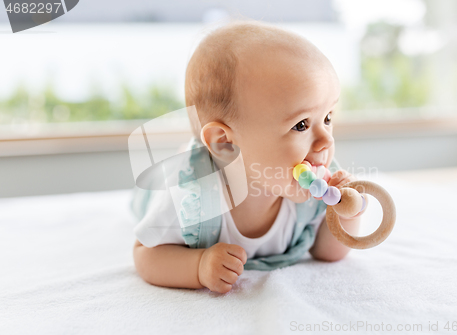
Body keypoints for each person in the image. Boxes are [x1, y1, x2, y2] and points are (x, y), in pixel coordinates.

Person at [132, 20, 368, 294]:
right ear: (225, 143)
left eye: (327, 118)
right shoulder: (188, 194)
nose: (326, 139)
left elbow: (327, 252)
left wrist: (346, 215)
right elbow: (145, 254)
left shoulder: (313, 184)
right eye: (301, 125)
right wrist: (198, 266)